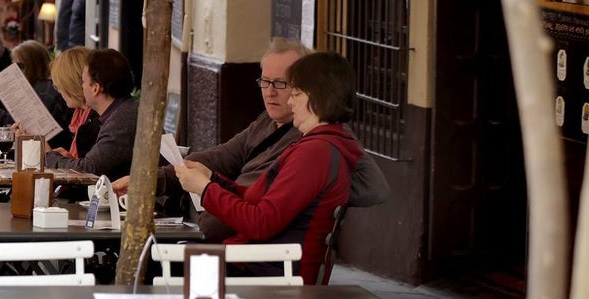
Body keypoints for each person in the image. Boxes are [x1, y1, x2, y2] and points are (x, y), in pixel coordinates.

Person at [113, 38, 389, 242]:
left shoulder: (318, 146)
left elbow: (263, 219)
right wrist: (206, 181)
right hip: (234, 242)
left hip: (255, 258)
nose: (274, 94)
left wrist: (316, 194)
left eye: (286, 87)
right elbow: (222, 159)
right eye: (265, 82)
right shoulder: (269, 124)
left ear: (316, 98)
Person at [173, 52, 364, 285]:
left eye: (295, 93)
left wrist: (206, 189)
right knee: (173, 254)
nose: (291, 103)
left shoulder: (315, 153)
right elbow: (259, 202)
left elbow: (260, 223)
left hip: (266, 273)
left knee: (159, 261)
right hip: (261, 263)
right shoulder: (315, 146)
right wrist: (212, 179)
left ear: (317, 99)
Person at [44, 48, 137, 180]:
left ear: (95, 88)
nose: (81, 87)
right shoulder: (120, 112)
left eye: (83, 81)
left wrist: (48, 156)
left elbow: (89, 170)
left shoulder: (122, 119)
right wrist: (68, 160)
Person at [10, 40, 71, 146]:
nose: (16, 71)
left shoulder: (45, 92)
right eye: (13, 66)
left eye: (20, 66)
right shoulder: (35, 88)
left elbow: (38, 134)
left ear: (33, 65)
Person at [49, 46, 100, 159]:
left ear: (72, 83)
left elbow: (89, 168)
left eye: (59, 84)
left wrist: (48, 153)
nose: (57, 90)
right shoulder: (79, 115)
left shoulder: (97, 119)